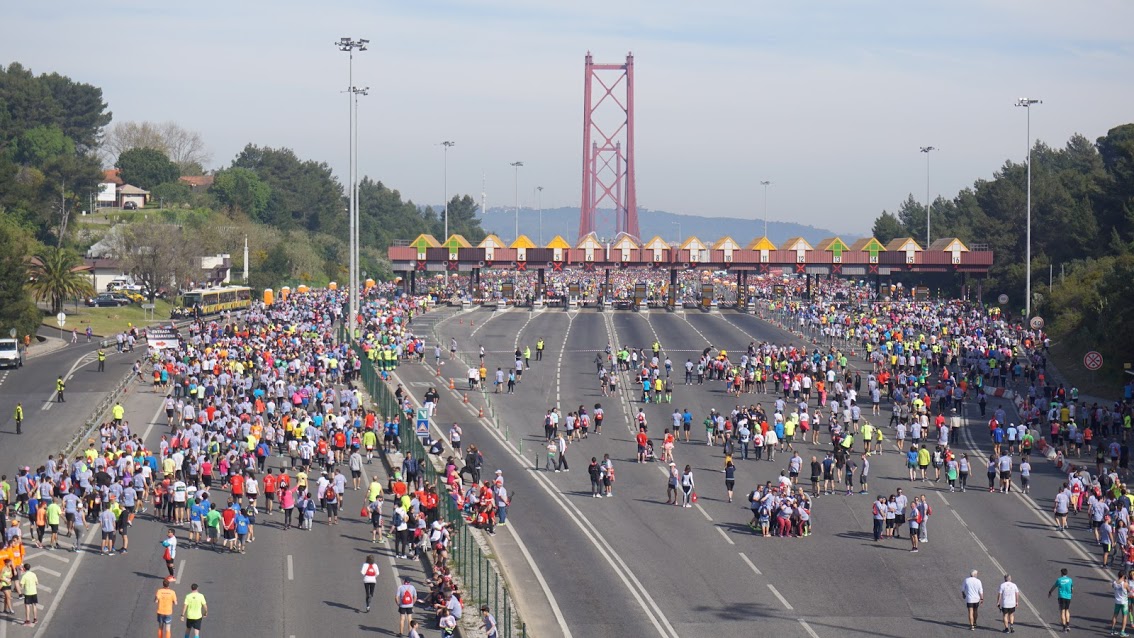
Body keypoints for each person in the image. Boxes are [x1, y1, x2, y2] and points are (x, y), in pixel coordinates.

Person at [1047, 568, 1072, 633]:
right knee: (1067, 610)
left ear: (1061, 573)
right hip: (1068, 597)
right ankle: (1068, 625)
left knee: (1062, 612)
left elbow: (1054, 586)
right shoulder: (1070, 580)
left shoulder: (1059, 580)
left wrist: (1050, 592)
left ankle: (1064, 627)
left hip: (1061, 597)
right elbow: (1072, 588)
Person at [1112, 571, 1130, 638]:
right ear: (1123, 576)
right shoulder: (1125, 584)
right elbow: (1129, 590)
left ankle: (1112, 630)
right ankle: (1122, 632)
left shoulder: (1114, 582)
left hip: (1117, 602)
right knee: (1124, 617)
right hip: (1124, 602)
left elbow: (1113, 587)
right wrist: (1126, 582)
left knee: (1115, 615)